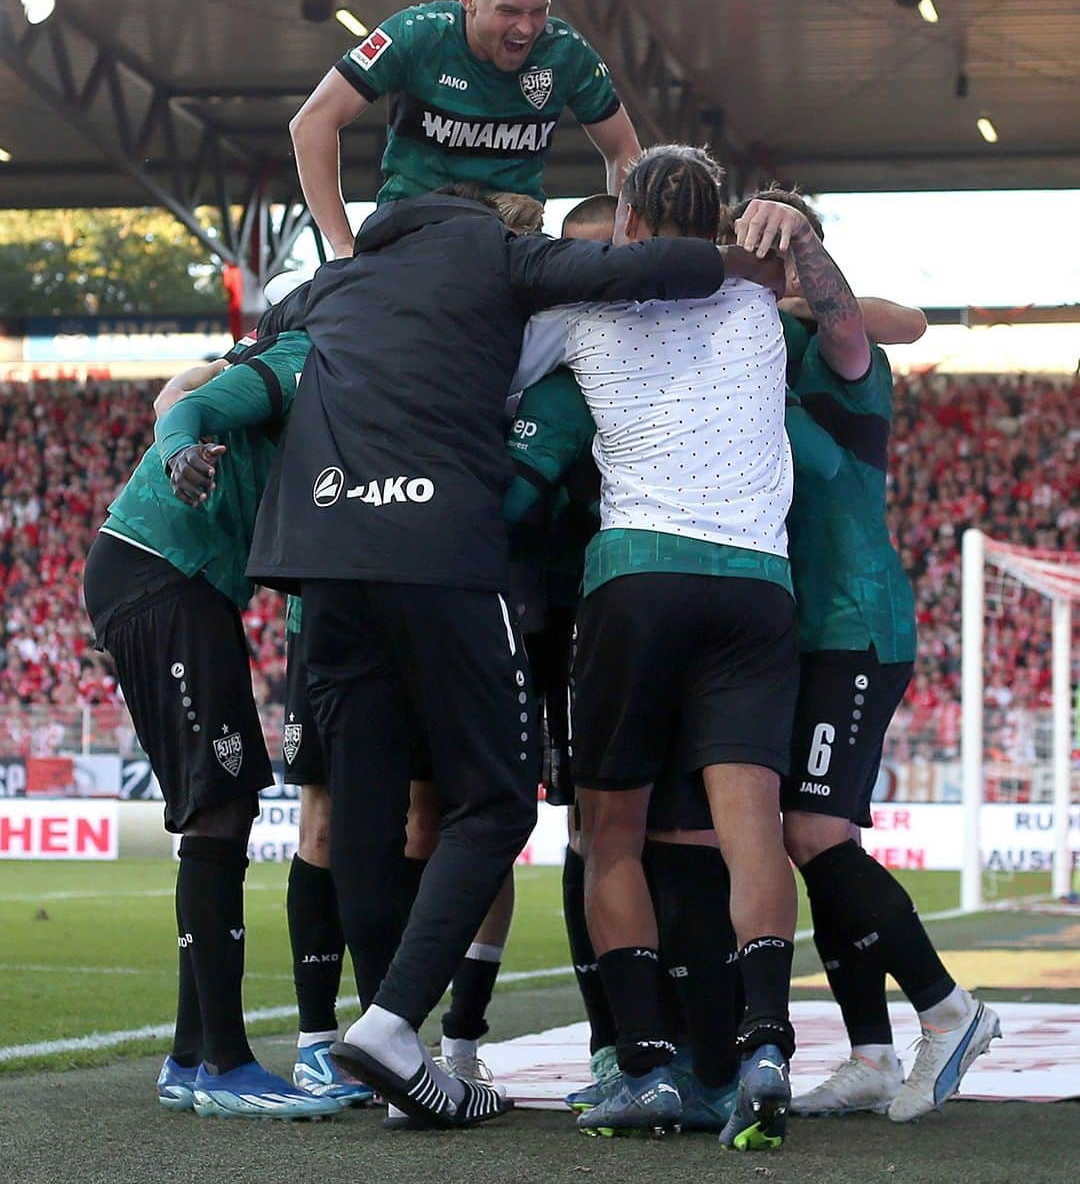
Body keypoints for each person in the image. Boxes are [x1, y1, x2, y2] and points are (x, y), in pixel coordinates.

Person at [245, 183, 776, 1129]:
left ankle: (379, 1036)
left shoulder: (342, 279)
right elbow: (659, 266)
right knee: (492, 800)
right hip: (440, 549)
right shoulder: (496, 256)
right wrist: (747, 259)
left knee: (362, 816)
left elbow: (254, 349)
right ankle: (396, 1024)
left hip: (320, 559)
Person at [508, 145, 833, 1149]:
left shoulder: (585, 308)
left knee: (611, 835)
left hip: (637, 577)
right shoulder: (764, 306)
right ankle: (768, 1047)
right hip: (755, 583)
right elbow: (853, 312)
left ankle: (646, 1067)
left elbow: (491, 374)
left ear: (631, 226)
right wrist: (787, 234)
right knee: (753, 828)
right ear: (724, 223)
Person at [730, 190, 1001, 1123]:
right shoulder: (739, 343)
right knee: (813, 843)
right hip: (792, 628)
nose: (753, 257)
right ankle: (872, 1054)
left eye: (772, 243)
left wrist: (799, 250)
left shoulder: (840, 350)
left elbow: (873, 320)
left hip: (853, 618)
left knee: (812, 832)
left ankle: (949, 1010)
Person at [82, 327, 337, 1122]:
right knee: (218, 806)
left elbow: (178, 392)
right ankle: (223, 1061)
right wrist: (177, 453)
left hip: (176, 579)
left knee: (220, 805)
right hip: (166, 574)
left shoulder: (291, 361)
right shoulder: (302, 360)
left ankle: (192, 1057)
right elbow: (182, 410)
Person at [289, 0, 641, 258]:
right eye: (509, 11)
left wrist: (628, 243)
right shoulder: (416, 35)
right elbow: (311, 123)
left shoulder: (565, 51)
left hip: (513, 242)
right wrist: (341, 246)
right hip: (411, 241)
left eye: (539, 11)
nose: (526, 28)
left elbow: (624, 147)